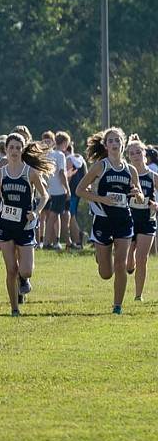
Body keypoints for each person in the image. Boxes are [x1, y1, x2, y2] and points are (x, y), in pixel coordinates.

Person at [76, 127, 145, 314]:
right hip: (103, 220)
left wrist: (137, 194)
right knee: (106, 273)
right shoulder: (100, 166)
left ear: (123, 144)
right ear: (106, 146)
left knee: (121, 263)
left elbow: (139, 197)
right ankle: (100, 255)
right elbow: (80, 190)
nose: (115, 144)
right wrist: (102, 199)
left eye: (118, 140)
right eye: (111, 141)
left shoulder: (130, 170)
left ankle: (117, 306)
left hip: (123, 219)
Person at [0, 132, 52, 316]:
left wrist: (36, 212)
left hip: (26, 226)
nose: (14, 151)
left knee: (26, 270)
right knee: (11, 269)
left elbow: (45, 195)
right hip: (5, 225)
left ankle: (24, 280)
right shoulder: (0, 173)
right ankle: (14, 308)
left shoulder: (30, 172)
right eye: (11, 147)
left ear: (22, 150)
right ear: (5, 150)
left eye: (17, 148)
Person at [125, 136, 157, 301]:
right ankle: (129, 262)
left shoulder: (153, 176)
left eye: (138, 152)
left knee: (142, 258)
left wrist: (156, 205)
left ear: (145, 154)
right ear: (128, 156)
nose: (136, 155)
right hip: (129, 218)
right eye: (132, 153)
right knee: (129, 260)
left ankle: (138, 295)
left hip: (147, 220)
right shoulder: (127, 174)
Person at [39, 131, 71, 250]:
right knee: (53, 217)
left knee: (49, 218)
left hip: (46, 190)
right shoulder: (60, 155)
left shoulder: (44, 155)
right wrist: (67, 189)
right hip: (58, 191)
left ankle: (48, 241)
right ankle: (48, 242)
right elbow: (62, 173)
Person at [66, 140, 87, 249]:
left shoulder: (69, 159)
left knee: (71, 215)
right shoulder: (81, 160)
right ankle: (76, 239)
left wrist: (66, 190)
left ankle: (78, 239)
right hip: (79, 191)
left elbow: (68, 177)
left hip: (71, 191)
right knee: (73, 215)